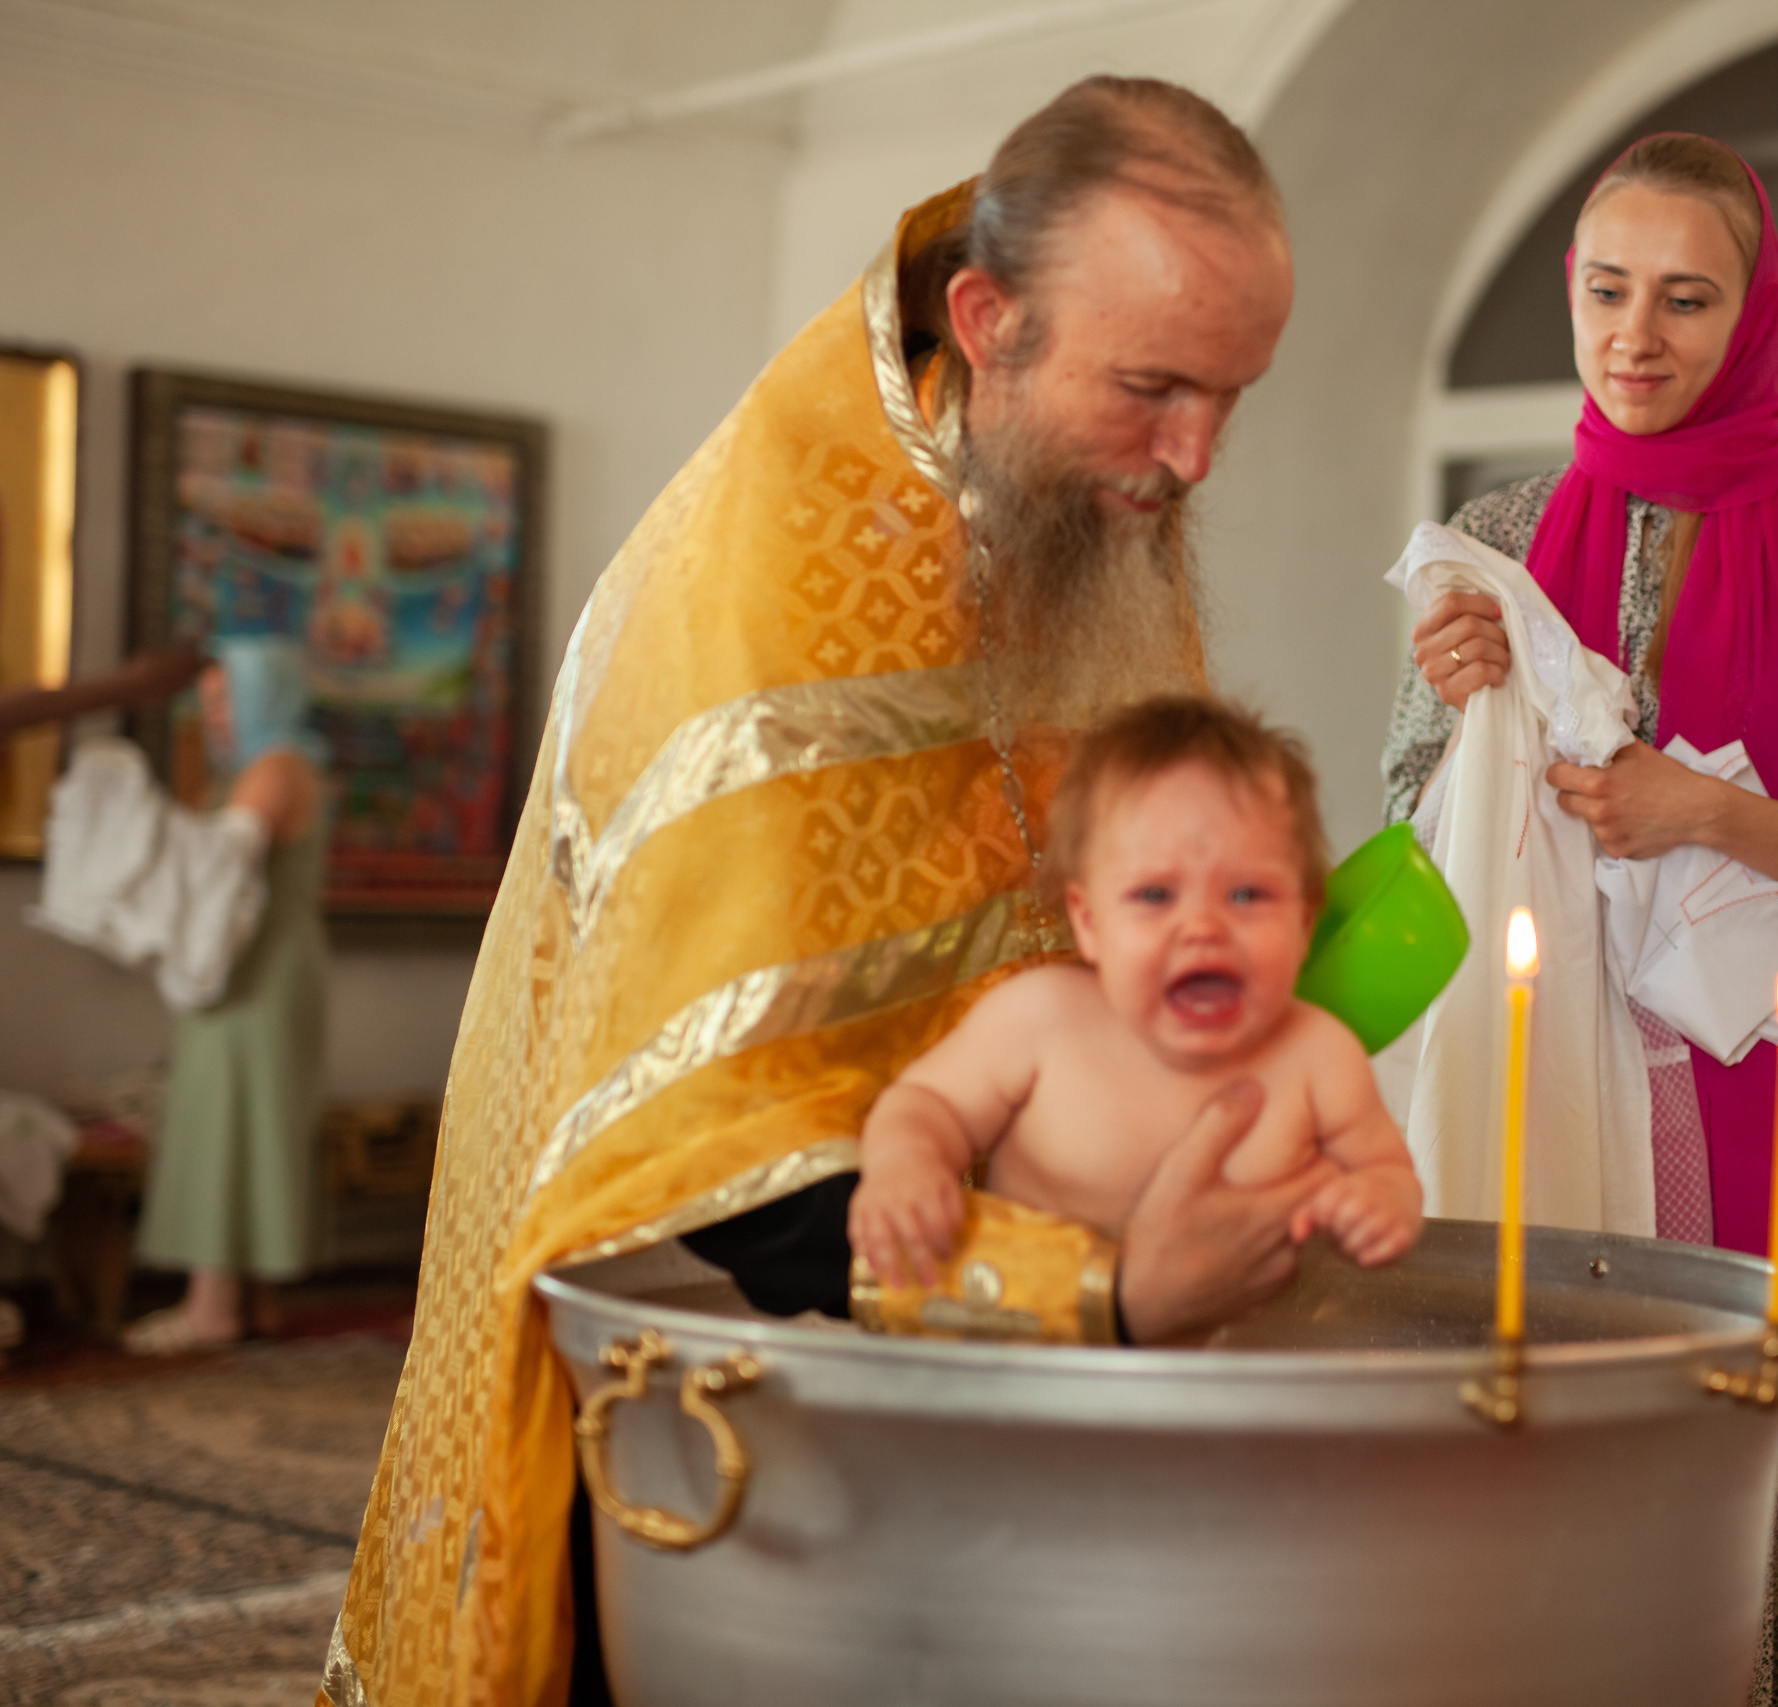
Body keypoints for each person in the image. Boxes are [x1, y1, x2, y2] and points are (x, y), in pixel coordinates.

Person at [327, 78, 1309, 1706]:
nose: (1193, 455)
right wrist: (1106, 1289)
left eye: (1230, 394)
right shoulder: (762, 602)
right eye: (1151, 388)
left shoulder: (1065, 512)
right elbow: (726, 1165)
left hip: (979, 1391)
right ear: (988, 322)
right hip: (716, 1381)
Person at [1377, 135, 1778, 1706]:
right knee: (1514, 1452)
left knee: (1724, 1465)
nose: (1636, 335)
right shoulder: (1496, 534)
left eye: (1687, 298)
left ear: (1753, 314)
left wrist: (1703, 810)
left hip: (1736, 1078)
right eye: (1606, 290)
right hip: (1531, 1066)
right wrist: (1452, 714)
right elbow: (1401, 819)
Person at [854, 696, 1423, 1292]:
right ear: (1089, 921)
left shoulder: (1318, 1053)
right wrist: (905, 1166)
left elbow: (1389, 1171)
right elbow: (925, 1105)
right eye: (1155, 896)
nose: (1203, 927)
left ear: (1306, 921)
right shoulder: (1039, 1021)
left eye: (1248, 895)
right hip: (1051, 1355)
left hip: (1248, 1368)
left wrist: (1379, 1203)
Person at [123, 637, 329, 1352]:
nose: (212, 715)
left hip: (252, 972)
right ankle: (255, 1301)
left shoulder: (272, 770)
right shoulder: (277, 764)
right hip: (271, 967)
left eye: (223, 699)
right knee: (259, 1121)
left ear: (260, 695)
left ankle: (210, 1306)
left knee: (227, 1123)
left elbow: (221, 879)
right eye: (205, 701)